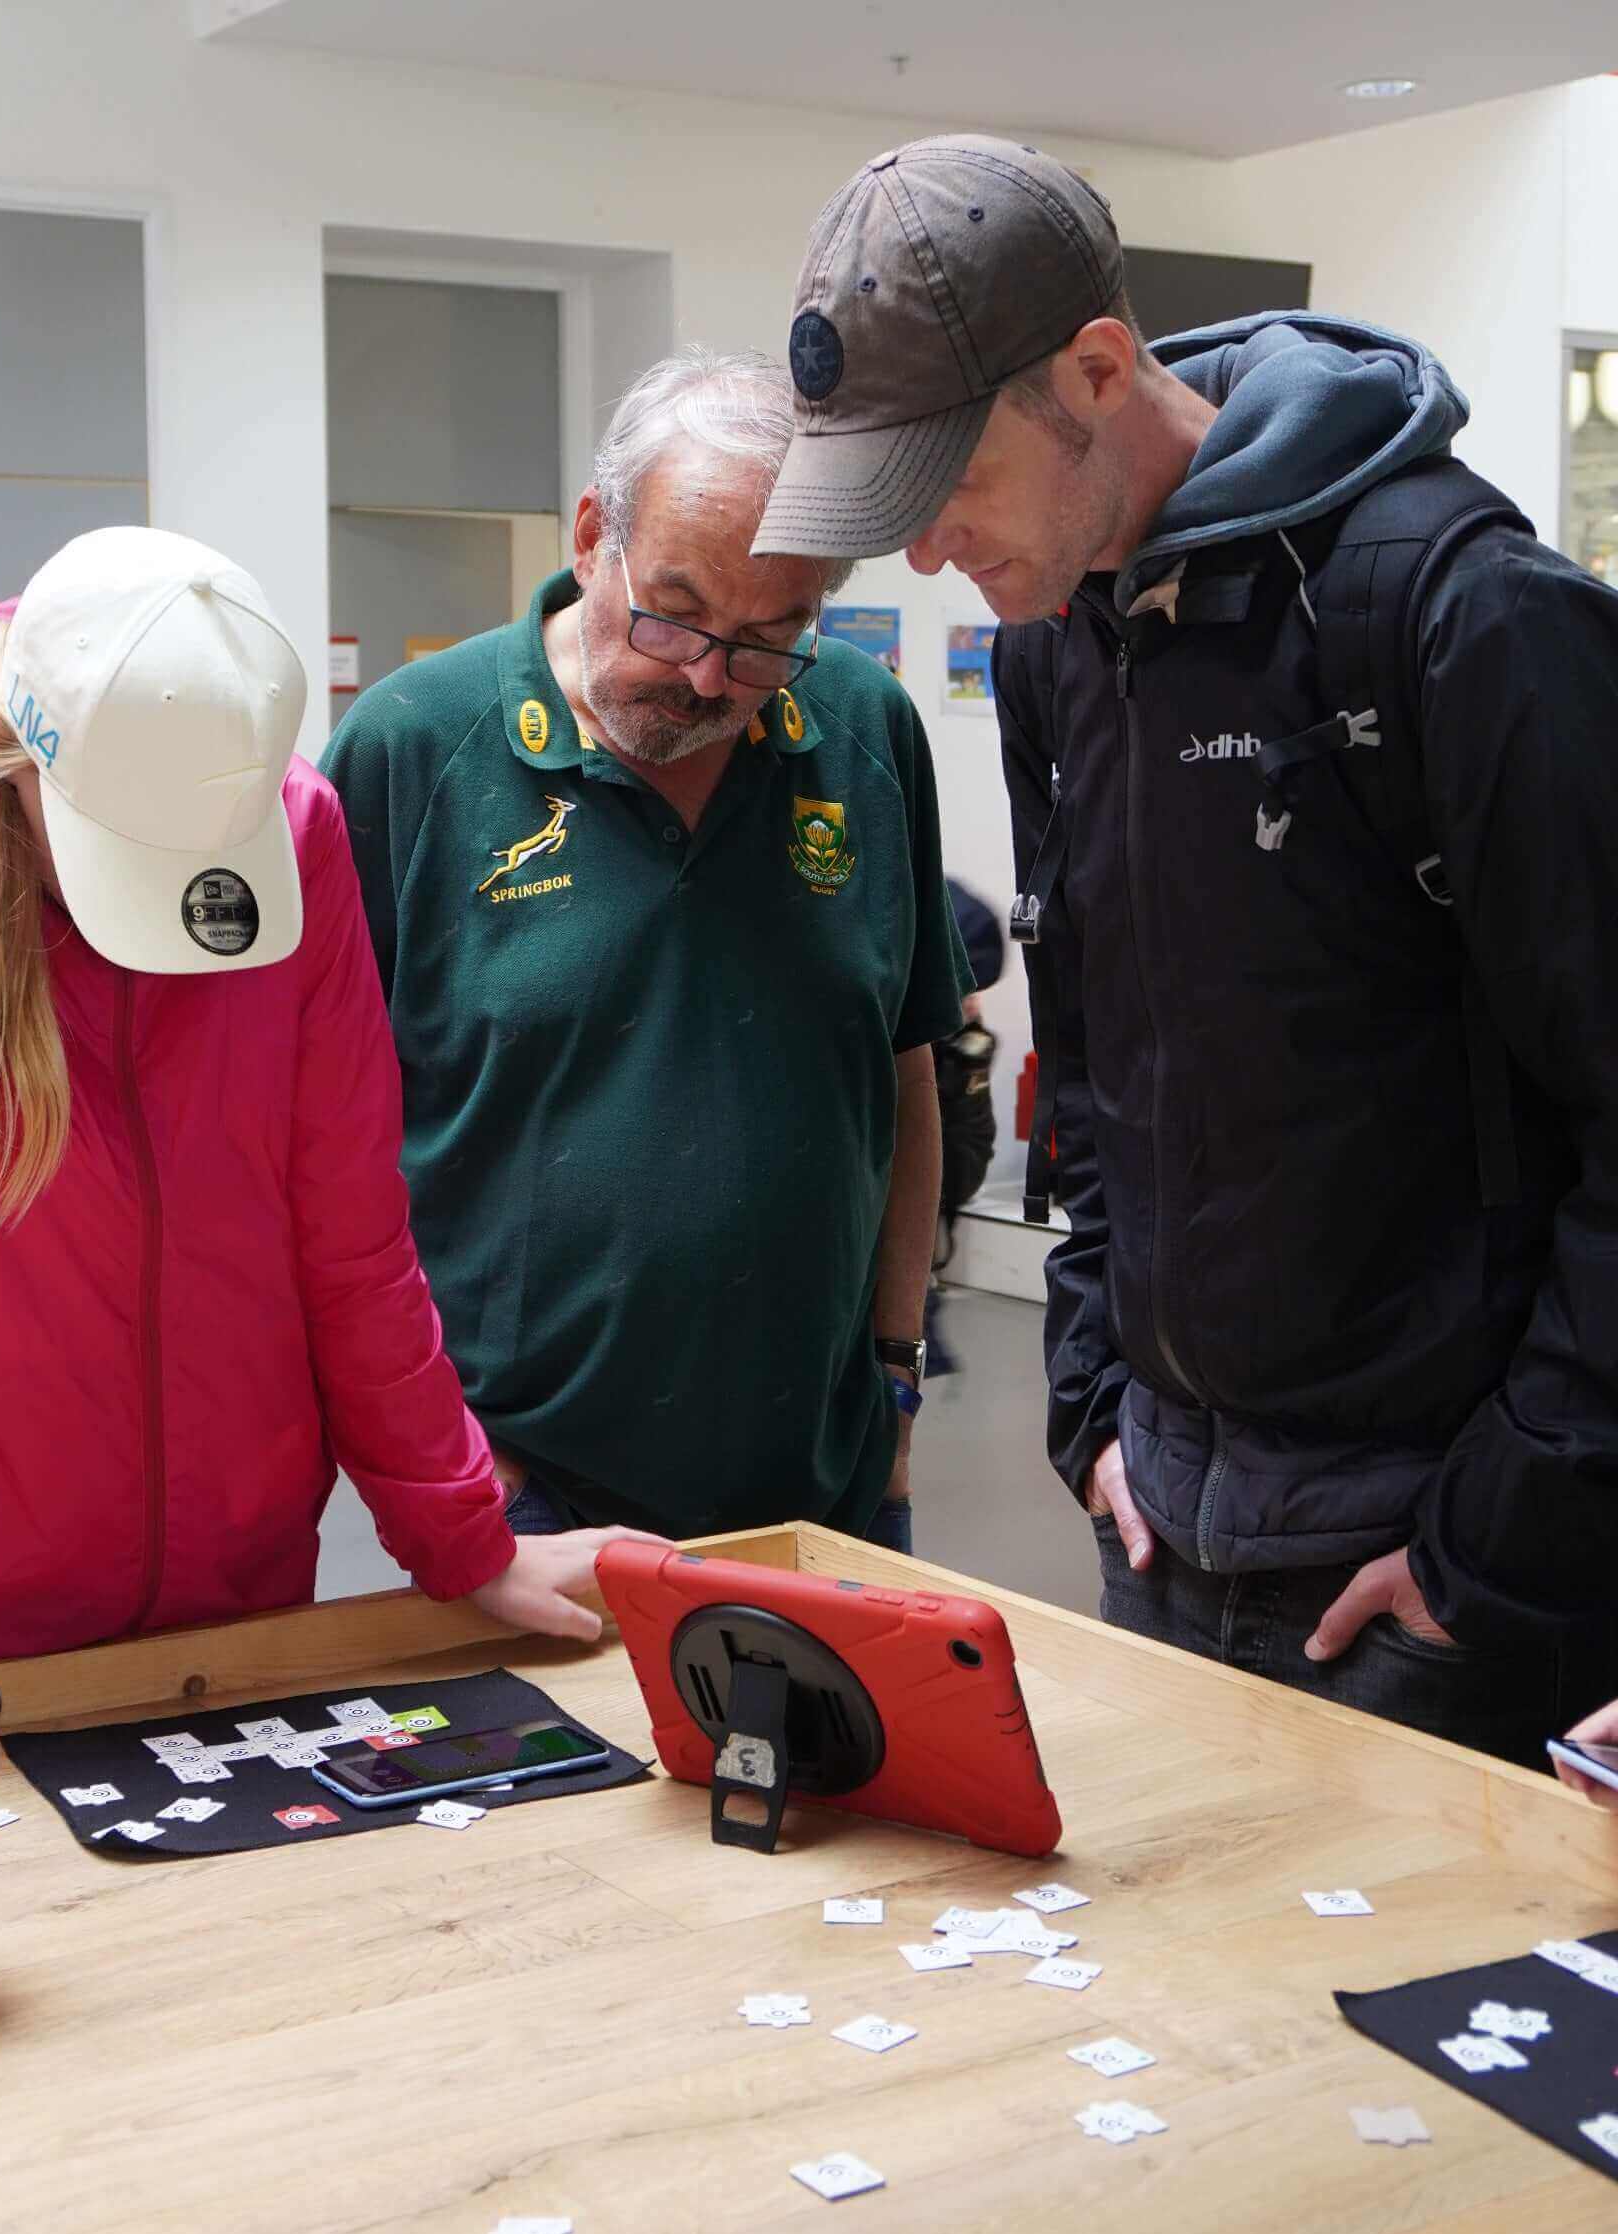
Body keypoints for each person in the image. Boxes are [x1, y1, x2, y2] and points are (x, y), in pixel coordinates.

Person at [758, 136, 1618, 1765]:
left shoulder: (1461, 614)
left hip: (1431, 1573)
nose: (927, 554)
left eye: (946, 491)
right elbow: (1092, 1068)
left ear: (1094, 374)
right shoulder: (1058, 651)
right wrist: (1089, 1405)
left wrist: (1496, 1538)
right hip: (1157, 1530)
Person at [0, 529, 655, 1726]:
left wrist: (465, 1540)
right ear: (25, 767)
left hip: (243, 1600)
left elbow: (351, 1240)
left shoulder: (295, 830)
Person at [321, 351, 970, 1555]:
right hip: (521, 1488)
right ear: (588, 536)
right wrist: (445, 1448)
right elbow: (309, 1145)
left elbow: (902, 1068)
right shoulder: (413, 747)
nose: (706, 678)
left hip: (828, 1470)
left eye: (768, 638)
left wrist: (895, 1366)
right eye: (672, 614)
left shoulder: (863, 729)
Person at [924, 877, 1004, 1377]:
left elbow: (959, 1181)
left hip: (912, 1311)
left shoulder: (954, 1054)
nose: (974, 1005)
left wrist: (966, 1076)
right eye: (966, 987)